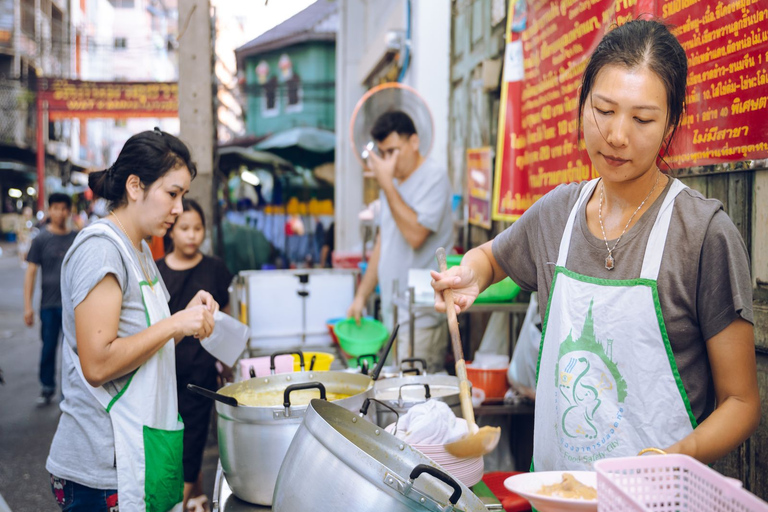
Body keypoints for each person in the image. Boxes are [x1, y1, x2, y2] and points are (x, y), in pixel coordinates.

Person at [431, 19, 760, 470]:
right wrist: (470, 273)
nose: (617, 135)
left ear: (669, 128)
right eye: (603, 110)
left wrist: (679, 456)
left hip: (657, 496)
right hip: (555, 494)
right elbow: (490, 258)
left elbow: (741, 401)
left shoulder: (702, 234)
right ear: (583, 104)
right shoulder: (556, 213)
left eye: (642, 119)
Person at [46, 129, 219, 512]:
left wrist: (185, 319)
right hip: (101, 466)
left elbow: (143, 344)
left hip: (140, 449)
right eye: (172, 194)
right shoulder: (101, 250)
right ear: (135, 186)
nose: (179, 208)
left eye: (183, 196)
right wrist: (174, 325)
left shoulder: (139, 249)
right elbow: (98, 363)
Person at [347, 110, 454, 372]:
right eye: (383, 153)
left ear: (414, 142)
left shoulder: (434, 177)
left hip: (422, 318)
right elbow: (383, 244)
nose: (388, 161)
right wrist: (361, 296)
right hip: (393, 315)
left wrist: (387, 185)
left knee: (417, 398)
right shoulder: (392, 184)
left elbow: (415, 235)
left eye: (393, 151)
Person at [156, 198, 233, 512]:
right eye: (184, 228)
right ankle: (189, 498)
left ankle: (185, 499)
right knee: (168, 443)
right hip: (164, 372)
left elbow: (227, 314)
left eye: (197, 228)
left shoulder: (215, 267)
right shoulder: (157, 271)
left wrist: (228, 362)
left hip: (201, 374)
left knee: (193, 443)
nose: (191, 235)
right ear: (171, 231)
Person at [23, 193, 77, 405]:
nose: (60, 213)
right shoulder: (41, 239)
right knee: (48, 348)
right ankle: (47, 387)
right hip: (48, 305)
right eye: (55, 208)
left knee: (71, 353)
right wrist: (28, 307)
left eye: (64, 208)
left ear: (69, 211)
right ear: (49, 210)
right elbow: (31, 273)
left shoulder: (76, 237)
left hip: (72, 307)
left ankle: (68, 392)